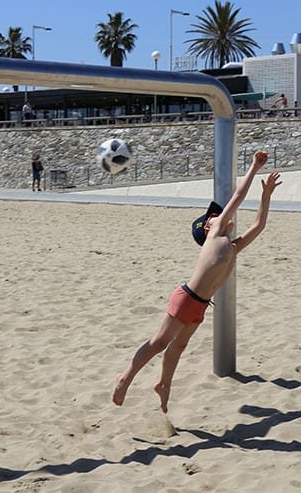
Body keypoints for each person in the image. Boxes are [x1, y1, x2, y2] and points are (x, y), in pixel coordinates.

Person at [112, 151, 281, 412]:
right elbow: (238, 196)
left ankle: (163, 384)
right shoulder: (215, 233)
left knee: (179, 345)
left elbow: (259, 225)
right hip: (187, 298)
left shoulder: (232, 246)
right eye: (213, 216)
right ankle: (126, 377)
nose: (219, 215)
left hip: (201, 304)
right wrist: (253, 168)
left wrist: (266, 194)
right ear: (207, 227)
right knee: (159, 342)